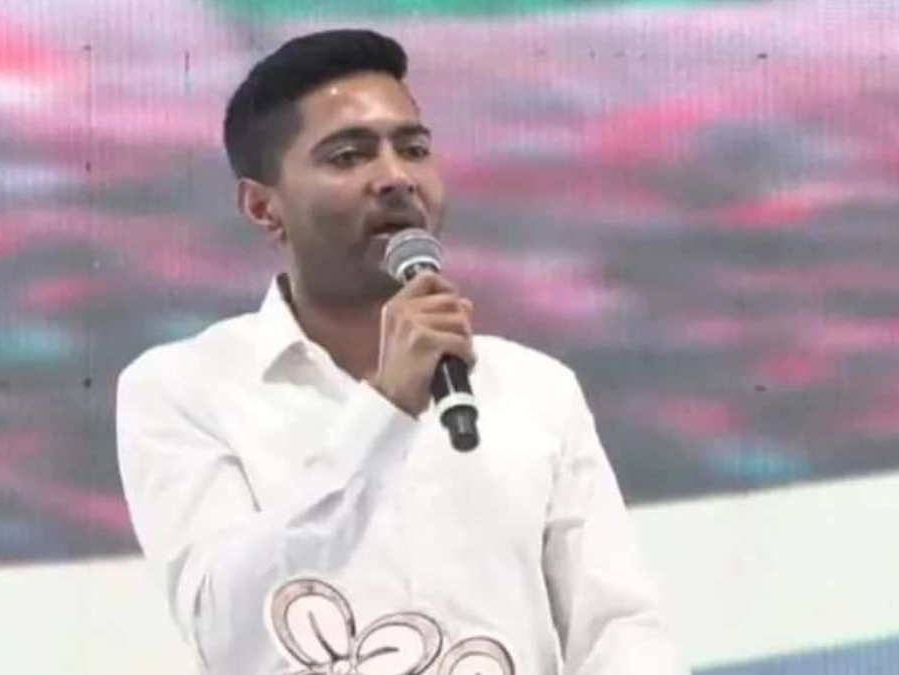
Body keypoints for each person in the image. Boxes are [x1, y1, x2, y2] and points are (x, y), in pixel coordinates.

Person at [116, 28, 687, 675]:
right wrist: (383, 410)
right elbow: (225, 629)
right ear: (263, 207)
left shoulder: (537, 388)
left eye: (413, 149)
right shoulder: (184, 388)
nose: (395, 177)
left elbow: (617, 626)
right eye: (348, 156)